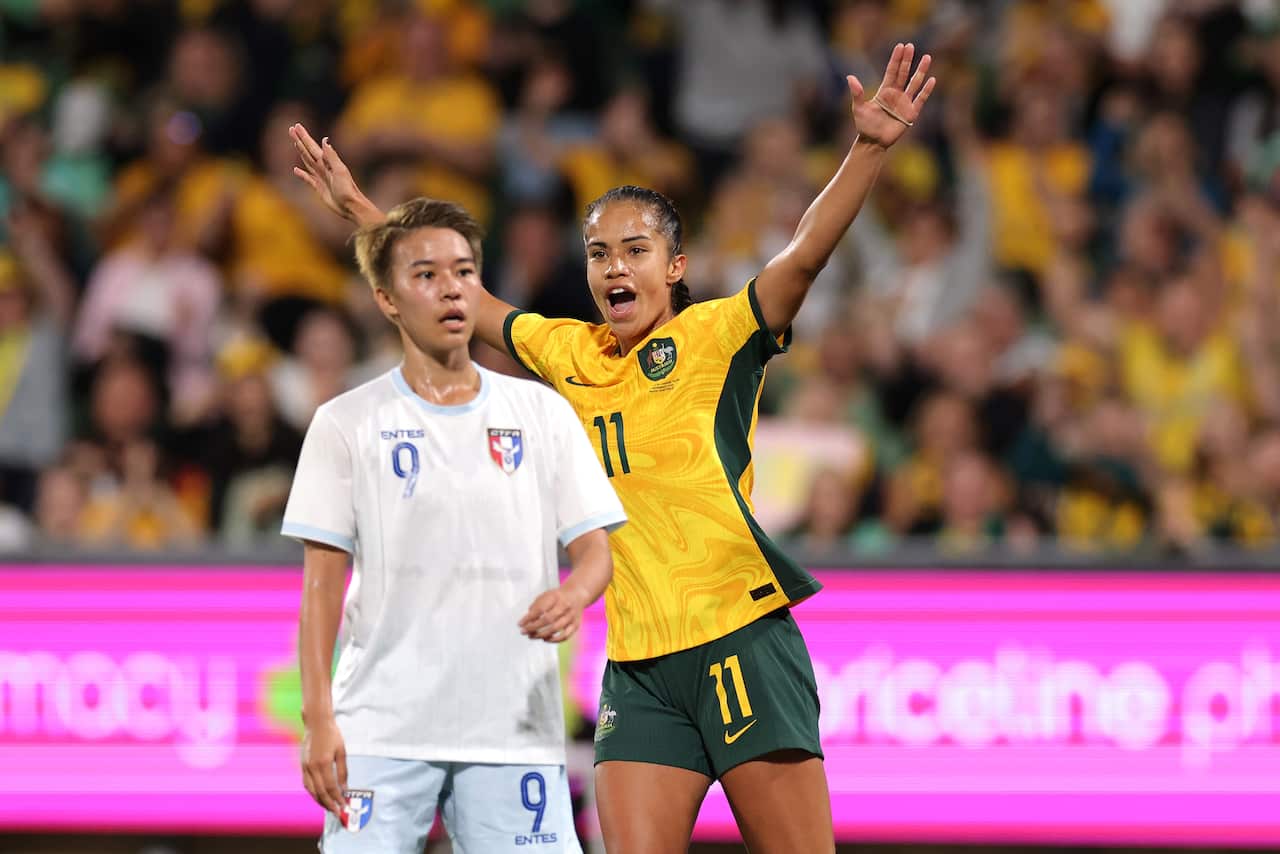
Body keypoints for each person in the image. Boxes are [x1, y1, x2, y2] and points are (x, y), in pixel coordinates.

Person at [291, 43, 935, 852]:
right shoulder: (572, 352)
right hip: (638, 666)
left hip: (740, 637)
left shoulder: (720, 335)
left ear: (675, 265)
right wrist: (360, 209)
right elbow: (459, 293)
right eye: (599, 253)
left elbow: (804, 253)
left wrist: (867, 148)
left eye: (635, 251)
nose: (614, 267)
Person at [281, 198, 625, 853]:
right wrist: (318, 718)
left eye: (464, 271)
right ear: (387, 300)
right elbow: (321, 587)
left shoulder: (543, 413)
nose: (451, 289)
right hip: (380, 728)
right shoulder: (344, 423)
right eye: (427, 274)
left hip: (513, 730)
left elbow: (595, 552)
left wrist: (574, 594)